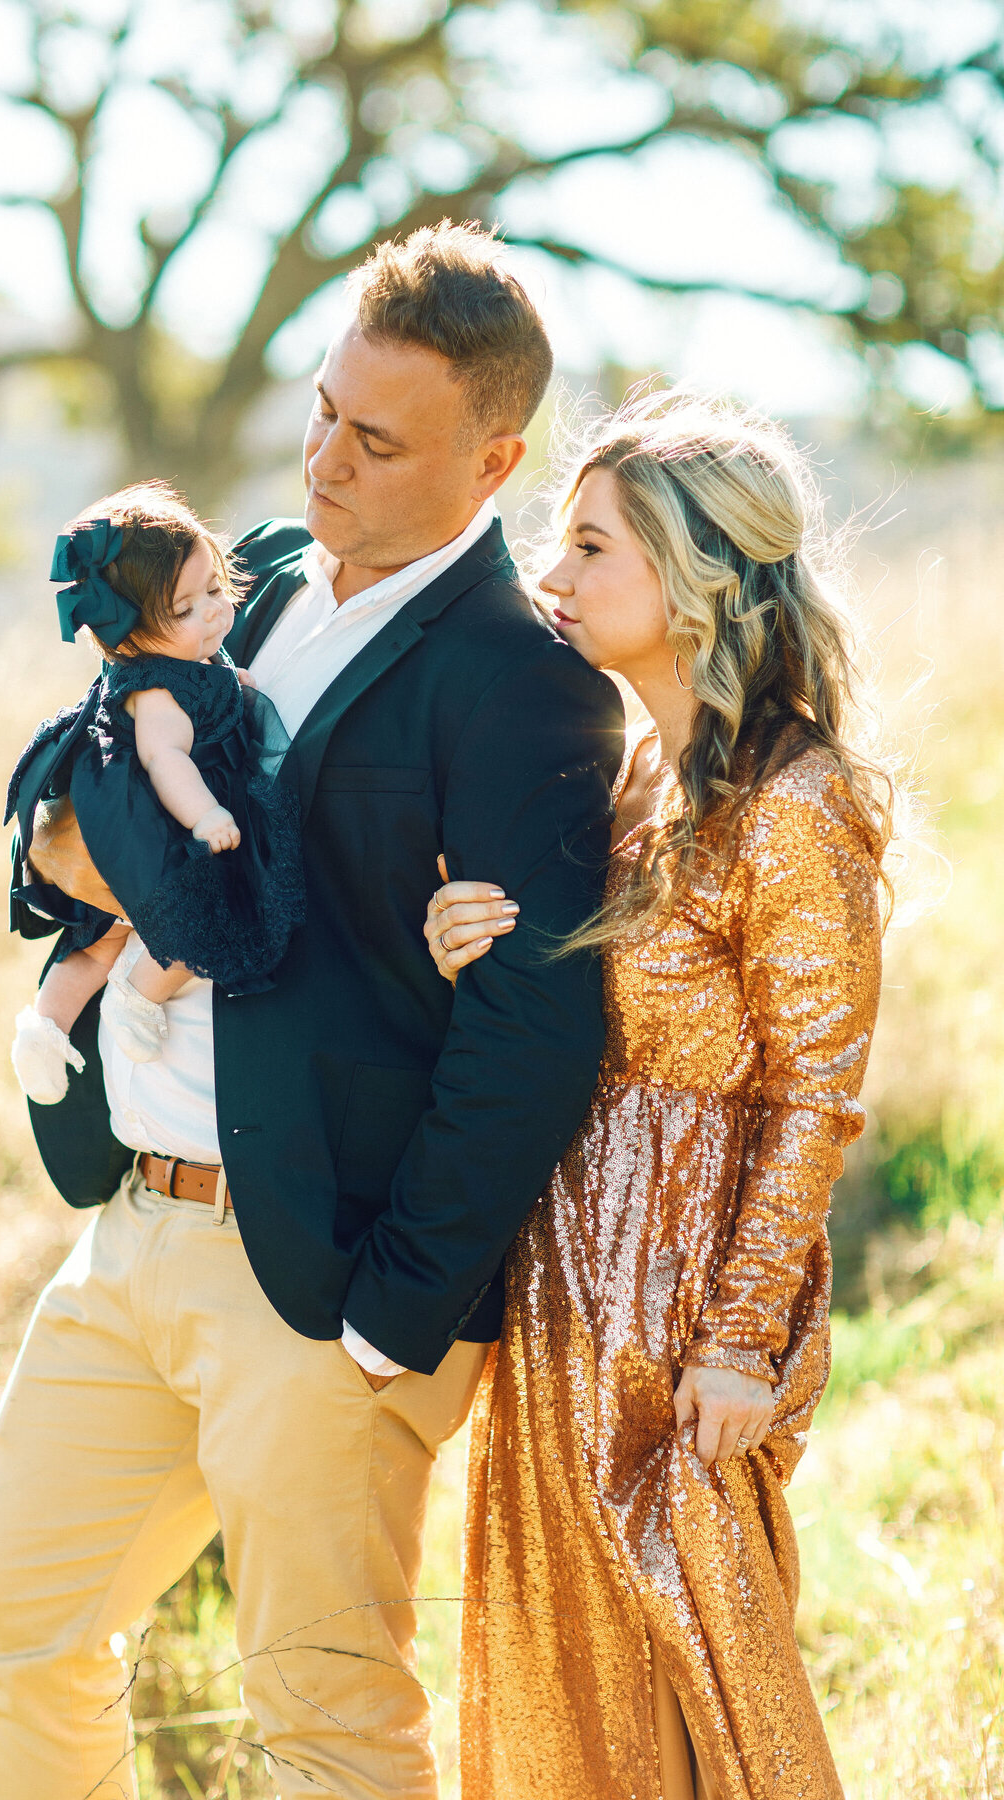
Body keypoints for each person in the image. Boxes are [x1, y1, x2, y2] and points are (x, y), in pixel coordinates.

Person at [0, 221, 625, 1800]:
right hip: (132, 1228)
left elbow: (535, 1034)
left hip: (322, 1285)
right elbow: (87, 774)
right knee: (11, 1619)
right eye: (323, 409)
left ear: (493, 456)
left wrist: (395, 1313)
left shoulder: (527, 687)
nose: (323, 458)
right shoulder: (234, 584)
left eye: (375, 441)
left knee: (322, 1725)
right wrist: (58, 858)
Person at [426, 389, 891, 1799]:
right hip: (568, 1277)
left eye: (590, 548)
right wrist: (471, 953)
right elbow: (589, 1024)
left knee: (702, 1688)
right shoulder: (637, 776)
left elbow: (814, 1095)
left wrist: (743, 1340)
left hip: (690, 1297)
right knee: (576, 1677)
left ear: (692, 577)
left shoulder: (795, 804)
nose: (551, 577)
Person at [7, 483, 305, 1105]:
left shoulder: (187, 661)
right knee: (204, 920)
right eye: (188, 608)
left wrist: (236, 682)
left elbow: (223, 685)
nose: (216, 613)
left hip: (129, 823)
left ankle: (45, 1025)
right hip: (161, 825)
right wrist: (208, 815)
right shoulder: (160, 694)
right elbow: (163, 758)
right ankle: (136, 998)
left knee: (101, 935)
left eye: (216, 590)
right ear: (132, 635)